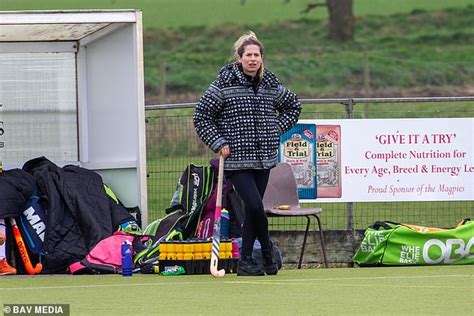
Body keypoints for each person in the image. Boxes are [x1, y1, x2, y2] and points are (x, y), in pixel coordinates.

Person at [193, 31, 301, 276]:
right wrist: (218, 142)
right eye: (248, 55)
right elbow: (201, 117)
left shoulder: (270, 83)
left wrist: (276, 129)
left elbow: (294, 107)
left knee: (254, 210)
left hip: (264, 159)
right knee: (254, 205)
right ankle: (266, 251)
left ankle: (244, 263)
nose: (253, 59)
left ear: (262, 58)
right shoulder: (223, 83)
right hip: (237, 160)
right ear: (239, 57)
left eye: (257, 55)